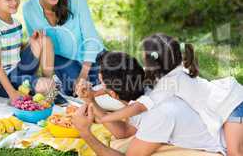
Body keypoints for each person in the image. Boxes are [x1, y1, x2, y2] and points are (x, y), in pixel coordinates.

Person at [92, 34, 243, 156]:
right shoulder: (172, 72)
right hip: (227, 98)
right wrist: (93, 95)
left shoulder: (166, 87)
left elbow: (138, 107)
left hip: (232, 105)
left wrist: (104, 118)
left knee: (235, 153)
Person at [73, 51, 226, 156]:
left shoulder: (157, 115)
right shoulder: (146, 88)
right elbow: (124, 132)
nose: (98, 87)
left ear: (113, 94)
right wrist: (90, 100)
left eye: (101, 82)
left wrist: (84, 131)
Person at [23, 0, 104, 96]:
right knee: (77, 91)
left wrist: (83, 75)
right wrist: (44, 81)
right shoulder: (29, 8)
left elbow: (91, 38)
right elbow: (39, 43)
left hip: (93, 57)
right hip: (63, 61)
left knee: (117, 80)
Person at [0, 0, 55, 101]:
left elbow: (13, 48)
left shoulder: (15, 23)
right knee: (48, 86)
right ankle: (46, 88)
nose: (15, 2)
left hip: (18, 69)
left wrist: (31, 42)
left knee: (45, 40)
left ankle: (46, 83)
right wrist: (12, 93)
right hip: (4, 82)